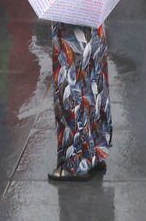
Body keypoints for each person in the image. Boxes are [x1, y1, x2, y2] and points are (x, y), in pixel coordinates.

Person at [49, 22, 112, 182]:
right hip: (93, 16)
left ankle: (77, 161)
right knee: (93, 80)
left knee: (72, 84)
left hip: (70, 21)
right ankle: (94, 153)